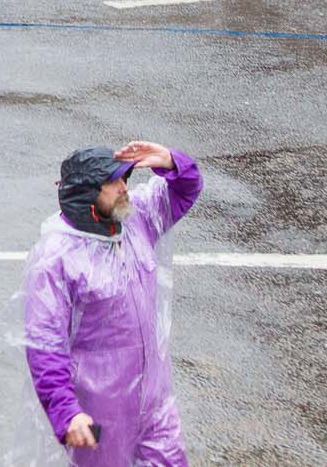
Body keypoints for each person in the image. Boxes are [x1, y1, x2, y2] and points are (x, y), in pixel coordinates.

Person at [19, 141, 203, 464]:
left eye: (124, 180)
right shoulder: (56, 258)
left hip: (154, 402)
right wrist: (67, 413)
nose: (124, 189)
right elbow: (45, 345)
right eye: (113, 182)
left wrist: (172, 162)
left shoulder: (136, 219)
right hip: (101, 413)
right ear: (87, 194)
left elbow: (185, 189)